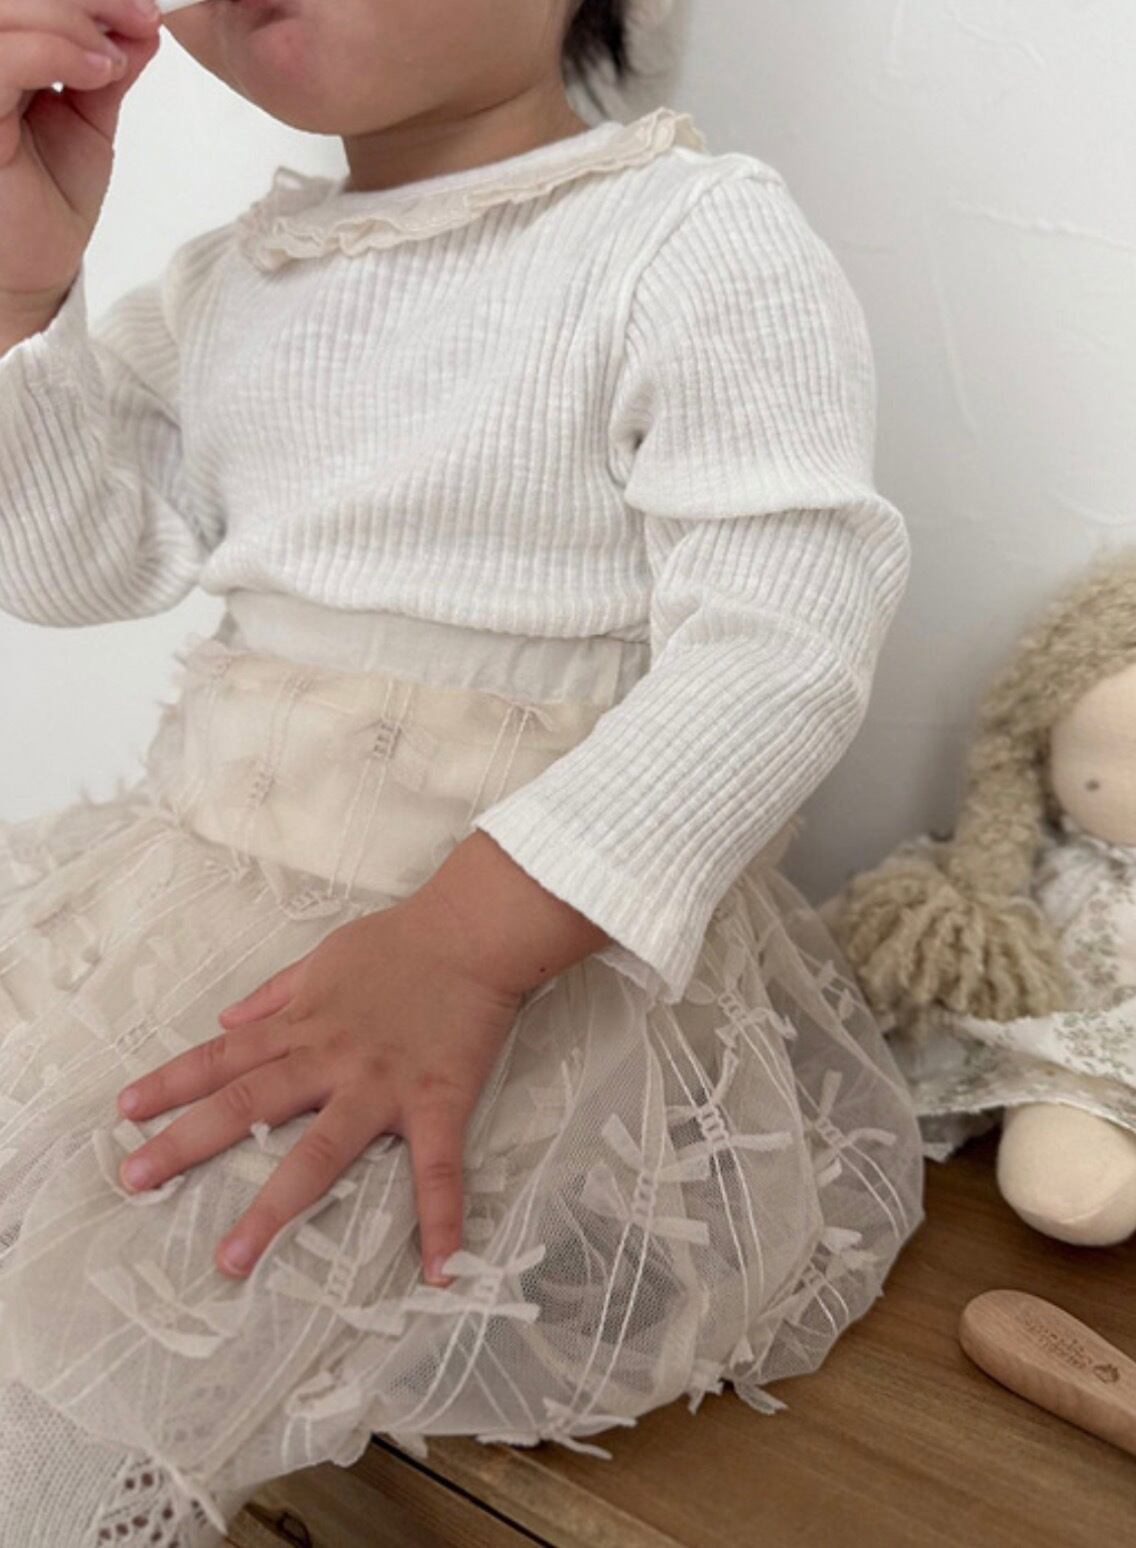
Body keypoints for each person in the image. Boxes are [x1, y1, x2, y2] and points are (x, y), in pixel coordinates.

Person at [0, 2, 925, 1543]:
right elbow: (72, 565)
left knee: (179, 1333)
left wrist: (462, 948)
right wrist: (24, 299)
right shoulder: (230, 280)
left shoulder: (684, 240)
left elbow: (783, 649)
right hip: (194, 923)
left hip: (512, 969)